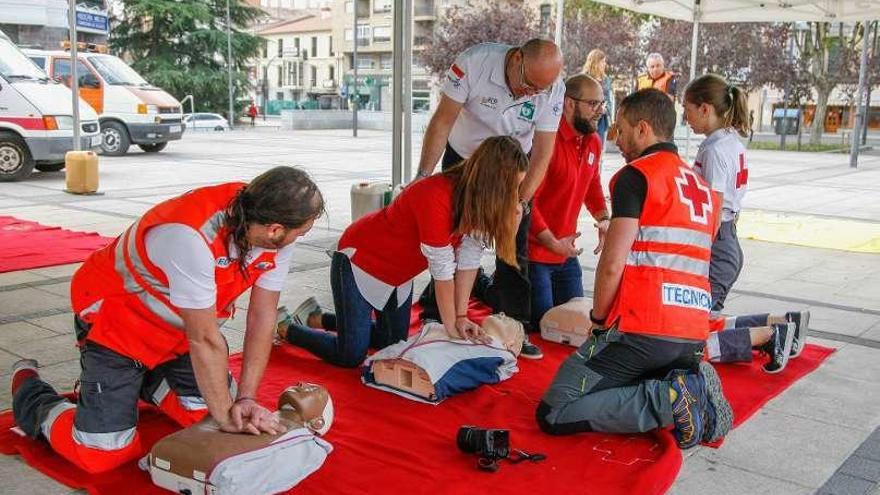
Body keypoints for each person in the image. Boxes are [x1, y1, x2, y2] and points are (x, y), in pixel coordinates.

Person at [9, 166, 325, 474]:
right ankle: (30, 388)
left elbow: (262, 317)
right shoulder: (189, 235)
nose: (300, 238)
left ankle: (142, 382)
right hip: (116, 328)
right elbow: (204, 338)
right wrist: (225, 416)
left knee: (210, 415)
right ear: (274, 230)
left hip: (177, 334)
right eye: (302, 232)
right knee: (101, 454)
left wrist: (244, 399)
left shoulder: (270, 227)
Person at [536, 89, 732, 450]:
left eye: (622, 131)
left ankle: (666, 401)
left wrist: (597, 320)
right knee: (619, 381)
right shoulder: (705, 191)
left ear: (643, 129)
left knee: (555, 409)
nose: (618, 140)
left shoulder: (636, 176)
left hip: (642, 329)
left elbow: (611, 265)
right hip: (691, 336)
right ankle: (686, 386)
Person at [280, 136, 529, 368]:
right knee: (350, 355)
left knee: (391, 342)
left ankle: (318, 317)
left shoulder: (475, 203)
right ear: (492, 183)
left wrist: (461, 316)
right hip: (359, 262)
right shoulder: (435, 195)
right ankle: (287, 326)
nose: (515, 197)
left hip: (398, 276)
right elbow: (443, 274)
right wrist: (453, 328)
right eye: (512, 188)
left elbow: (469, 261)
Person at [413, 38, 566, 359]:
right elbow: (442, 121)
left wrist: (520, 203)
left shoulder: (551, 87)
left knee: (514, 246)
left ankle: (513, 324)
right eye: (528, 84)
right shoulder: (475, 61)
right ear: (516, 59)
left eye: (539, 89)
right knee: (450, 237)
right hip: (463, 158)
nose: (531, 93)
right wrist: (422, 177)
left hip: (511, 166)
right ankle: (437, 309)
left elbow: (543, 153)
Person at [683, 74, 809, 374]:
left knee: (691, 339)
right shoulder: (729, 142)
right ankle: (783, 323)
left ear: (705, 109)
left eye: (687, 109)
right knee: (704, 319)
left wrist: (697, 254)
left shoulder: (714, 149)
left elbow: (713, 207)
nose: (684, 117)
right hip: (727, 240)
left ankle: (769, 336)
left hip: (716, 243)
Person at [528, 74, 609, 332]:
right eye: (593, 104)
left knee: (575, 327)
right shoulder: (545, 140)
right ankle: (494, 286)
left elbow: (592, 185)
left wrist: (604, 218)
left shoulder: (593, 141)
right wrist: (551, 241)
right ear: (569, 104)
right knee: (543, 327)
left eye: (602, 104)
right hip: (535, 253)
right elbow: (527, 199)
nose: (600, 111)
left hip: (565, 253)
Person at [582, 49, 615, 147]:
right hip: (587, 119)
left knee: (599, 147)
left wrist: (606, 108)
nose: (605, 64)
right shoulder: (584, 78)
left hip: (602, 120)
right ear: (596, 62)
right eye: (603, 61)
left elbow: (609, 100)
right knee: (586, 146)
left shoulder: (606, 80)